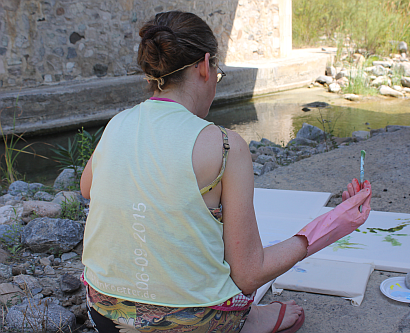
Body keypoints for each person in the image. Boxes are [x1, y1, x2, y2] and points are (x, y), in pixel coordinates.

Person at [80, 11, 372, 333]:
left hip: (104, 312)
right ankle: (252, 319)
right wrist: (334, 223)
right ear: (205, 66)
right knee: (247, 290)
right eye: (217, 74)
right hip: (191, 325)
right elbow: (249, 273)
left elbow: (87, 187)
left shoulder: (117, 124)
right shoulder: (224, 145)